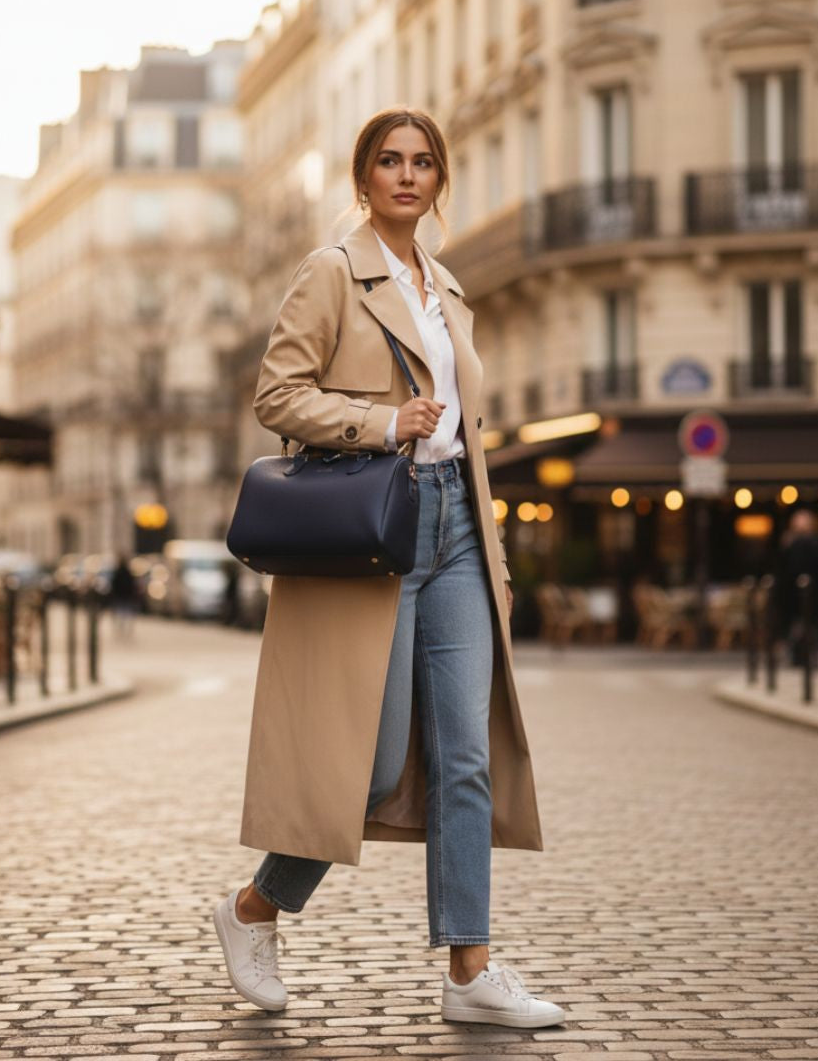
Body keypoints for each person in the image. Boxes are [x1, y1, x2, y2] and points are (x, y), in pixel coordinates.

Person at [212, 108, 564, 1028]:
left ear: (439, 181)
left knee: (465, 759)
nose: (407, 176)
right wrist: (379, 421)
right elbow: (277, 395)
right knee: (365, 766)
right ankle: (254, 908)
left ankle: (470, 972)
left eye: (422, 163)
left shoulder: (447, 287)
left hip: (456, 532)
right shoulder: (332, 273)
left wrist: (490, 551)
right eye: (388, 162)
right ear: (363, 179)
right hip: (375, 532)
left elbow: (465, 434)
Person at [776, 509, 818, 667]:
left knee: (813, 626)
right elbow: (782, 571)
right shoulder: (791, 544)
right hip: (793, 597)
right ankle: (796, 655)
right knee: (796, 628)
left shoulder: (815, 543)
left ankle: (816, 655)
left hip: (813, 595)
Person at [107, 555, 137, 640]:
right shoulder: (128, 572)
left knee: (120, 612)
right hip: (127, 596)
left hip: (120, 596)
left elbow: (113, 585)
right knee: (126, 613)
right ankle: (125, 628)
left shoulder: (117, 572)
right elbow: (132, 584)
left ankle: (121, 627)